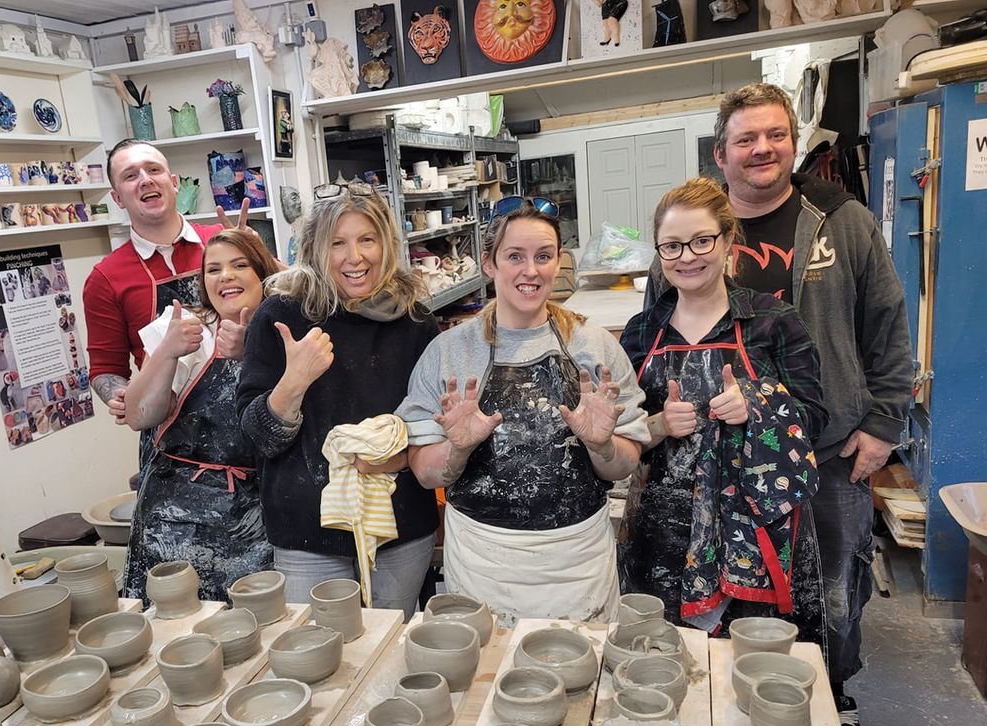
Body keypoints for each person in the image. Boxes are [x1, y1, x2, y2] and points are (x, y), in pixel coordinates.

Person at [643, 84, 913, 726]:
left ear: (793, 143)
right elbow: (651, 355)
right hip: (707, 467)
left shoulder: (839, 219)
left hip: (825, 448)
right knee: (720, 593)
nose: (762, 149)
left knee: (831, 588)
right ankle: (737, 703)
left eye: (775, 135)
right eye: (745, 138)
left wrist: (884, 421)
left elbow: (886, 321)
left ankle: (829, 697)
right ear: (721, 153)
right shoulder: (685, 231)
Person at [398, 198, 649, 624]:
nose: (530, 271)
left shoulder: (595, 347)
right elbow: (425, 473)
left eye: (543, 257)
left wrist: (602, 445)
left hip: (577, 558)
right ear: (489, 264)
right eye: (515, 256)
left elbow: (620, 468)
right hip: (485, 560)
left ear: (558, 263)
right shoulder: (448, 353)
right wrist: (457, 450)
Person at [621, 178, 828, 649]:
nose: (687, 257)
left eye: (701, 241)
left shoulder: (774, 321)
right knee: (665, 657)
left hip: (757, 526)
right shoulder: (641, 331)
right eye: (671, 246)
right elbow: (622, 430)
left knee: (757, 659)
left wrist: (757, 406)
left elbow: (815, 417)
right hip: (665, 525)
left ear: (729, 240)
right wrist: (657, 426)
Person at [236, 183, 438, 615]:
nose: (355, 257)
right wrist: (294, 382)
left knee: (393, 650)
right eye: (337, 243)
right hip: (308, 533)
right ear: (313, 249)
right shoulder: (282, 315)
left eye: (367, 239)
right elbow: (255, 437)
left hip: (399, 527)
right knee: (321, 654)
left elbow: (435, 425)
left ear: (387, 242)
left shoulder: (415, 320)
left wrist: (398, 459)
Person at [83, 139, 258, 469]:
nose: (146, 180)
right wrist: (121, 396)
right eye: (130, 175)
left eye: (153, 169)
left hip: (251, 418)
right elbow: (106, 368)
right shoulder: (106, 278)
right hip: (174, 445)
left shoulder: (224, 242)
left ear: (173, 182)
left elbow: (287, 302)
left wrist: (260, 258)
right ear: (117, 197)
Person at [121, 230, 276, 601]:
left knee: (248, 623)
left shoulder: (283, 329)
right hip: (173, 517)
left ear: (263, 274)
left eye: (241, 265)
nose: (226, 276)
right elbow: (139, 415)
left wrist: (250, 351)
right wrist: (167, 352)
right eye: (213, 269)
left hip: (252, 515)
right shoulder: (185, 328)